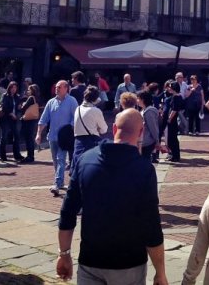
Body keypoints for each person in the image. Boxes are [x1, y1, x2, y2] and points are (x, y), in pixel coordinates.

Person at [56, 109, 168, 285]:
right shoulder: (144, 169)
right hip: (129, 263)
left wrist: (64, 254)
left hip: (90, 260)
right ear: (141, 132)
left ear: (114, 128)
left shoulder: (85, 160)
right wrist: (160, 272)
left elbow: (68, 212)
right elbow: (151, 224)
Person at [72, 86, 109, 170]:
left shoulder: (77, 109)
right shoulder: (95, 111)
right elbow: (104, 129)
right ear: (95, 98)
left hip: (78, 143)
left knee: (77, 169)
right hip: (91, 143)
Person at [0, 80, 24, 162]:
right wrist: (11, 113)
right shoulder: (5, 96)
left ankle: (17, 154)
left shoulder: (17, 97)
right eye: (12, 87)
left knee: (16, 136)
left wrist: (19, 108)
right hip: (6, 119)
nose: (14, 89)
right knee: (4, 137)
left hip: (14, 119)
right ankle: (3, 155)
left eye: (15, 87)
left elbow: (18, 108)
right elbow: (4, 107)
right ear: (9, 88)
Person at [161, 83, 183, 163]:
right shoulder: (177, 96)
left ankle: (175, 156)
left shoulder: (175, 97)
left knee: (171, 139)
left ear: (173, 88)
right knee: (173, 138)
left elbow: (174, 109)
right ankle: (175, 155)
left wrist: (169, 118)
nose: (169, 88)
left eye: (170, 87)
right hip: (173, 120)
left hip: (172, 121)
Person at [19, 83, 39, 164]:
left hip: (28, 120)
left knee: (28, 138)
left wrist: (22, 105)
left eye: (29, 90)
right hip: (34, 119)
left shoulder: (31, 98)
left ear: (32, 91)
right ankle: (31, 155)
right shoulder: (37, 98)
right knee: (30, 137)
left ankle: (29, 156)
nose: (28, 91)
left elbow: (23, 108)